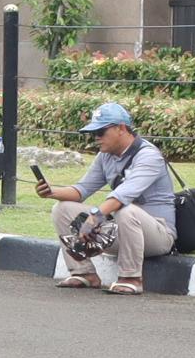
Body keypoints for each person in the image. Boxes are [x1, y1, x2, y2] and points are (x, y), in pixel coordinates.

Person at [38, 101, 176, 294]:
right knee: (62, 209)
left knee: (125, 209)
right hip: (121, 230)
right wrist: (52, 192)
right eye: (94, 134)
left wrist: (94, 218)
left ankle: (131, 278)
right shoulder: (106, 156)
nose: (96, 138)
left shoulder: (149, 156)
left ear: (120, 128)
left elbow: (122, 197)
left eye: (101, 132)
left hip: (158, 235)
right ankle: (83, 273)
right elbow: (82, 189)